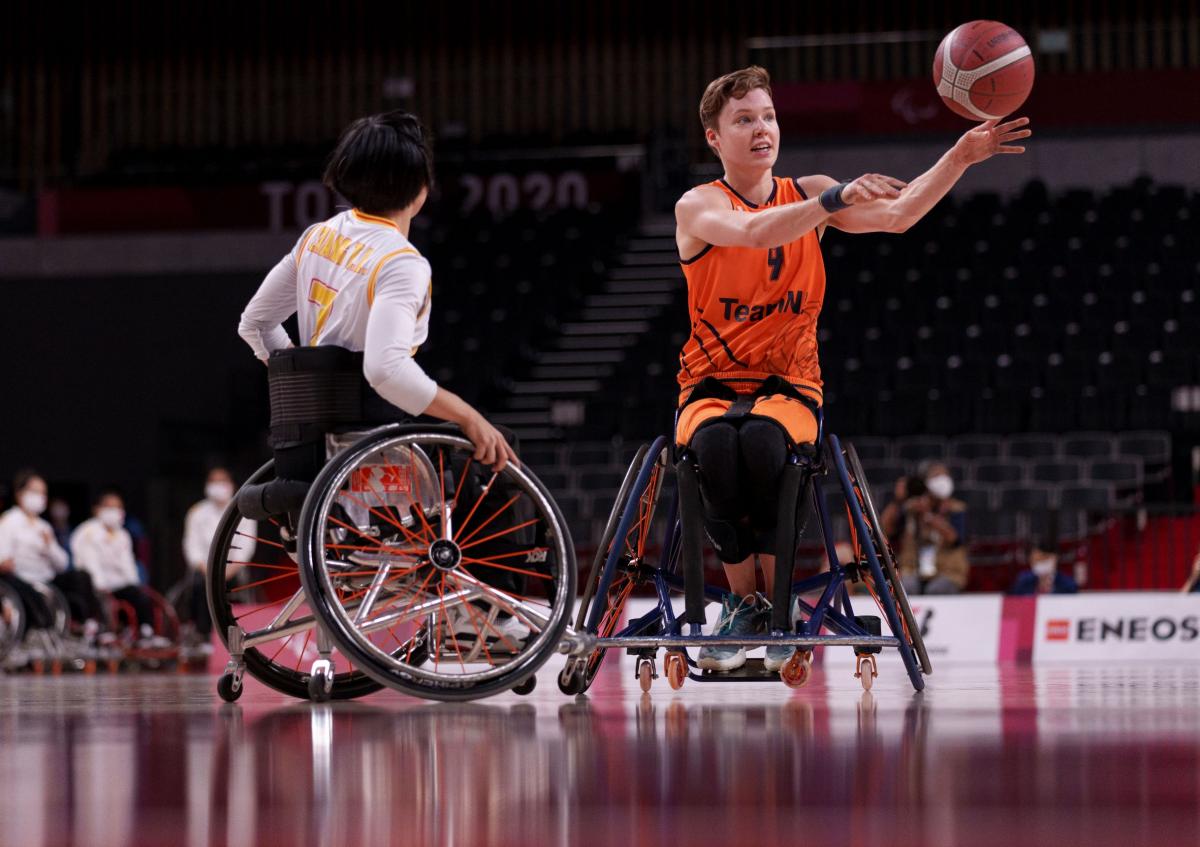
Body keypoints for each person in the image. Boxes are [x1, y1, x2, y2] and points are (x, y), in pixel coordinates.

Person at [673, 66, 1029, 672]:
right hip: (710, 384)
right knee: (712, 449)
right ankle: (744, 601)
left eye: (768, 116)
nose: (762, 129)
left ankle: (772, 603)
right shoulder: (699, 203)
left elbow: (900, 214)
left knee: (763, 445)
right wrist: (833, 199)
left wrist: (962, 155)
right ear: (714, 138)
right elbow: (755, 232)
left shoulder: (805, 190)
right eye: (744, 120)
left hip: (790, 383)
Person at [236, 110, 524, 645]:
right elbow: (385, 369)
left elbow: (254, 325)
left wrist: (304, 384)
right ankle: (473, 611)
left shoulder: (317, 237)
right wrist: (468, 415)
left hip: (307, 445)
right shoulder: (401, 261)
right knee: (496, 458)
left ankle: (466, 608)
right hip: (373, 450)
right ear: (421, 190)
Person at [0, 470, 104, 635]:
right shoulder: (9, 521)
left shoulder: (44, 527)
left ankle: (88, 625)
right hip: (21, 578)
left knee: (80, 576)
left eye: (42, 493)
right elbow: (3, 560)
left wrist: (49, 547)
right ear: (20, 494)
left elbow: (62, 564)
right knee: (29, 593)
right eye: (34, 491)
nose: (39, 496)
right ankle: (41, 629)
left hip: (46, 579)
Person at [71, 489, 162, 641]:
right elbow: (89, 562)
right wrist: (101, 586)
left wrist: (135, 585)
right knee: (98, 595)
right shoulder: (87, 532)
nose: (114, 511)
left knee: (139, 596)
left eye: (118, 507)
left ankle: (147, 633)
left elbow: (128, 564)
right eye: (109, 507)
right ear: (97, 509)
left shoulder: (123, 535)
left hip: (118, 585)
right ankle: (98, 629)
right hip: (95, 587)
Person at [182, 467, 253, 643]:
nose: (218, 486)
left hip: (233, 569)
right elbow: (192, 546)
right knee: (199, 586)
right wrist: (206, 569)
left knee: (238, 587)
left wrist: (229, 570)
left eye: (222, 481)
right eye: (214, 482)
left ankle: (237, 633)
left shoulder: (243, 510)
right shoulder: (196, 512)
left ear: (231, 485)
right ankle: (204, 634)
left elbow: (247, 546)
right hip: (205, 569)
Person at [882, 463, 970, 596]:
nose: (942, 480)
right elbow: (885, 531)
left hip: (947, 572)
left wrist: (928, 516)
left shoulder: (957, 509)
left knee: (936, 590)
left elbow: (954, 539)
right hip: (912, 569)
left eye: (945, 475)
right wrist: (898, 500)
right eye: (936, 475)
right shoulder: (911, 508)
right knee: (905, 587)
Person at [1010, 541, 1079, 595]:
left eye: (1041, 559)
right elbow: (1014, 600)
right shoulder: (1024, 581)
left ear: (1054, 559)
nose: (1037, 564)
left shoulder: (1068, 585)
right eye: (1034, 561)